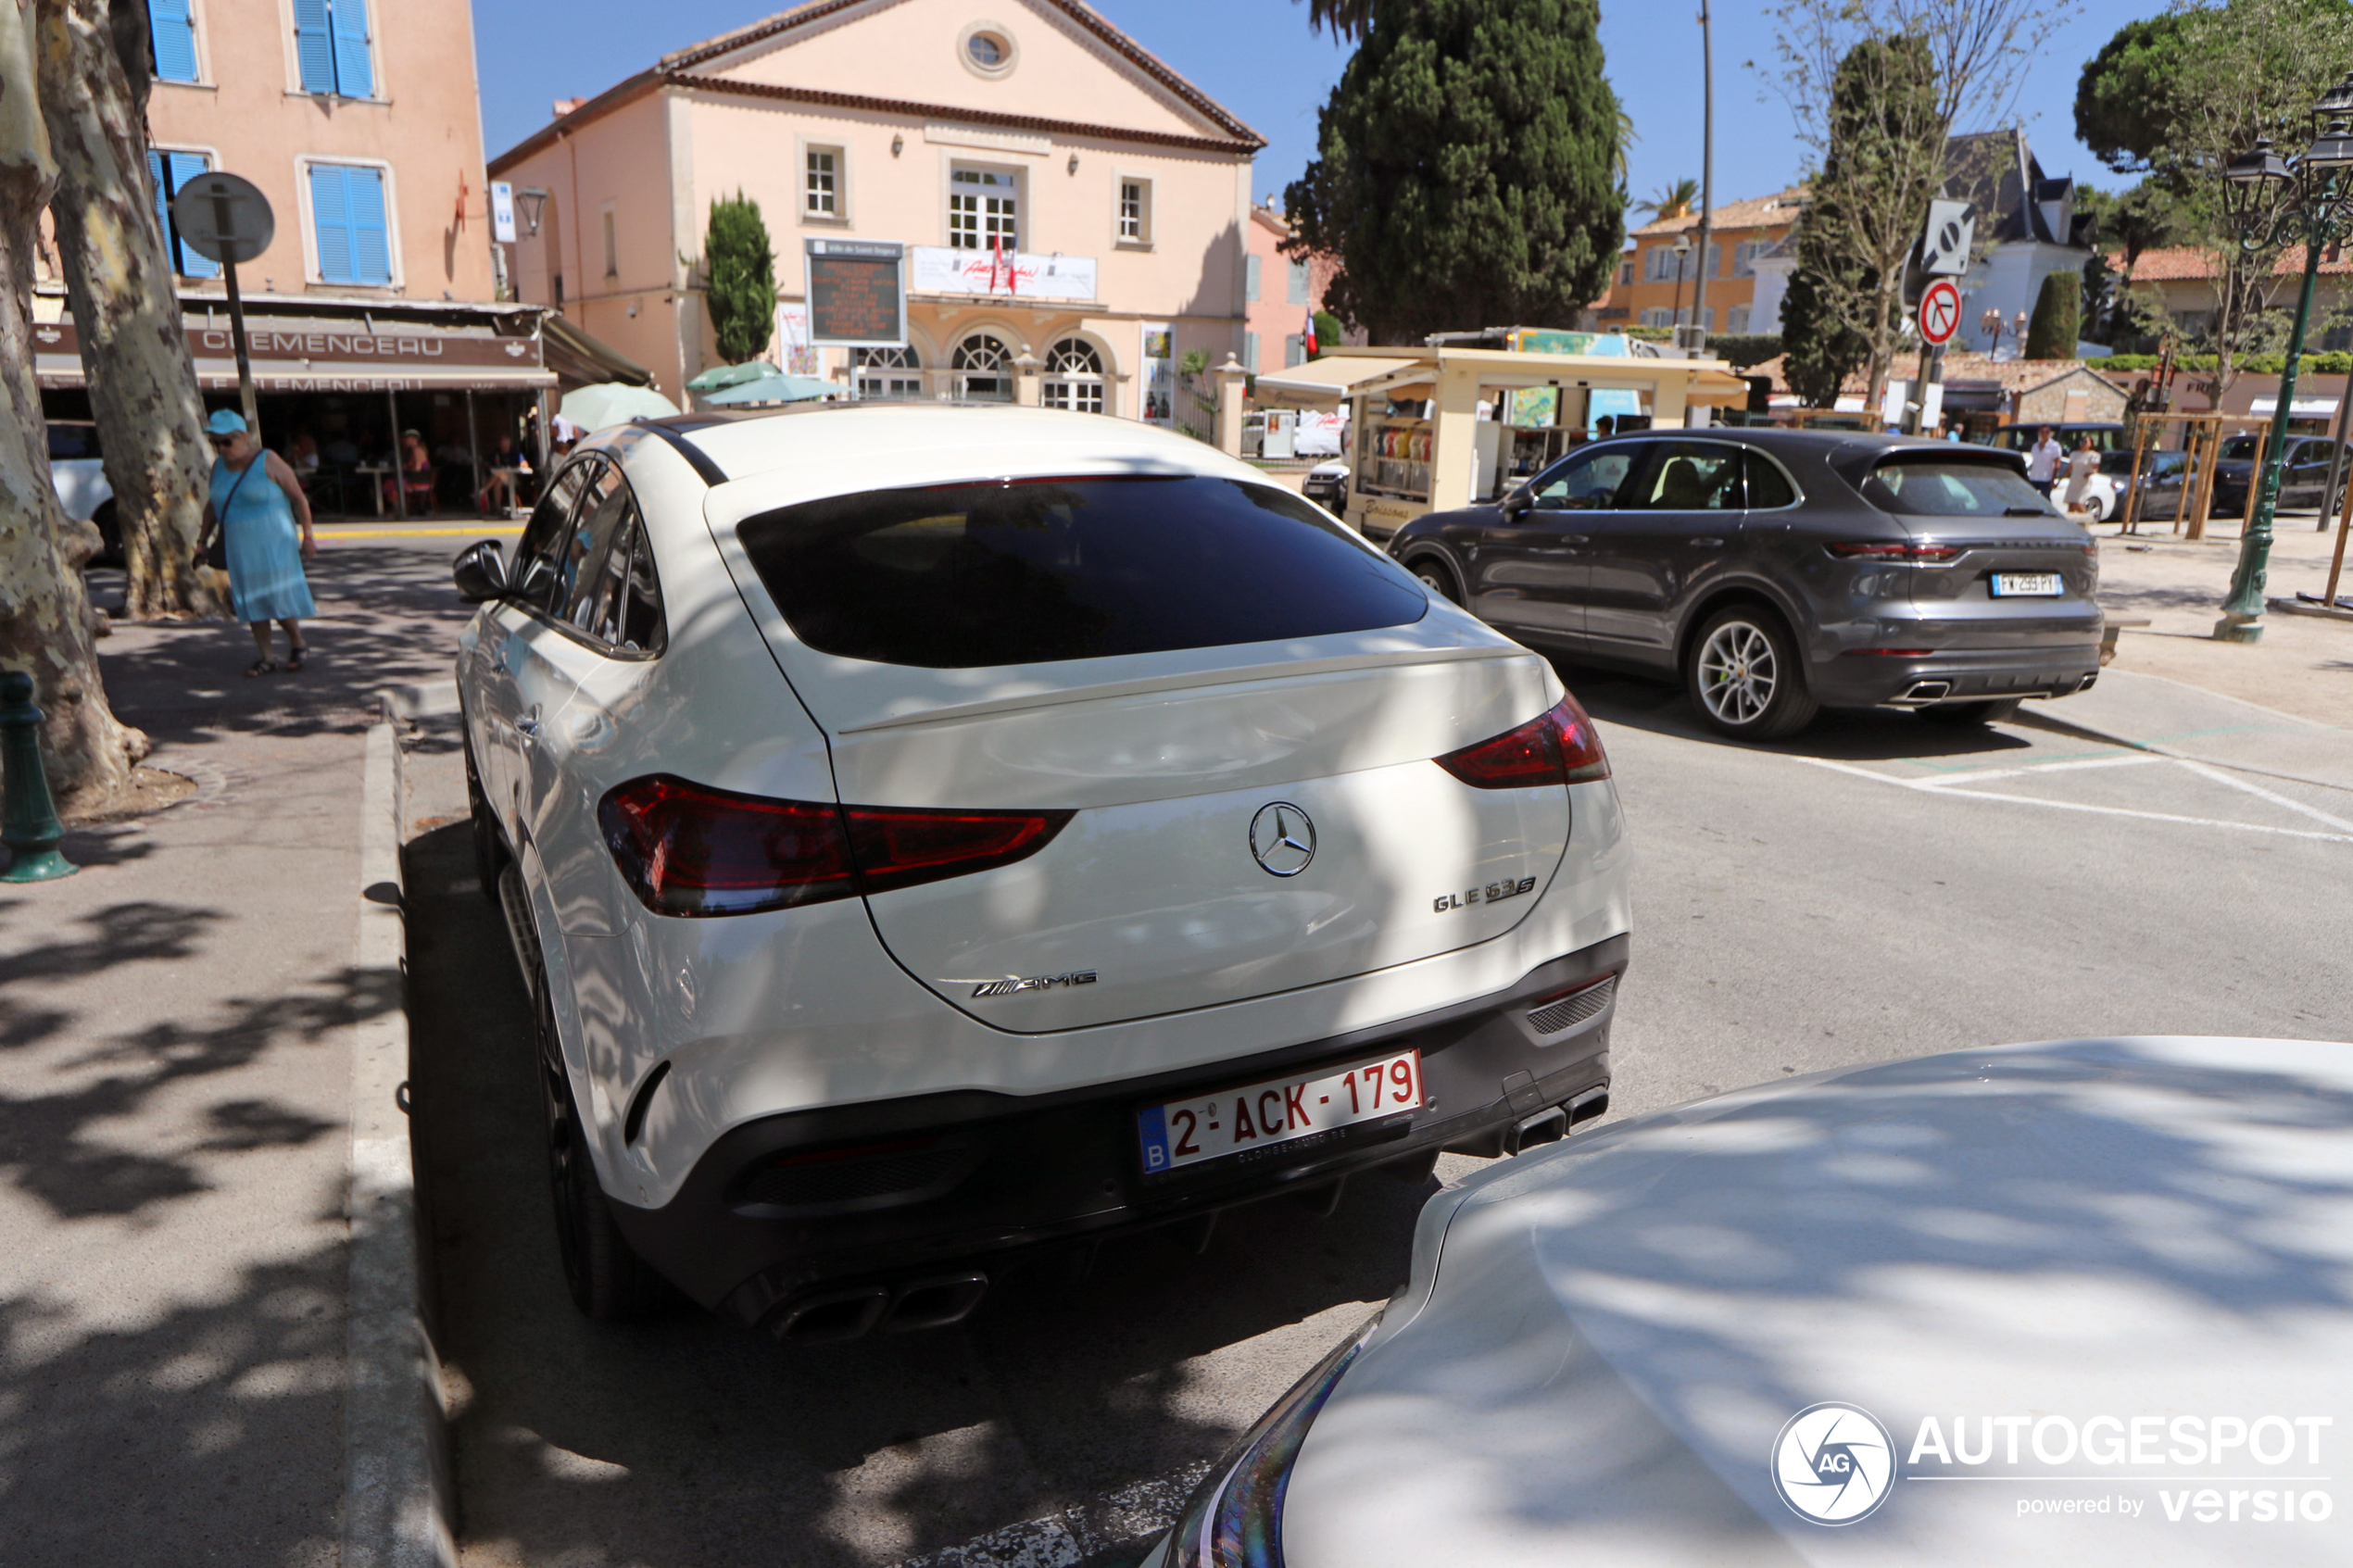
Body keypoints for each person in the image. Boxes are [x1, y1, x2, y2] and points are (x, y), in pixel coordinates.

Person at [205, 409, 317, 676]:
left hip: (274, 541)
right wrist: (200, 540)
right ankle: (266, 657)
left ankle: (298, 641)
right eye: (215, 442)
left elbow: (299, 498)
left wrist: (308, 536)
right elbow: (211, 505)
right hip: (239, 545)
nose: (221, 448)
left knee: (275, 596)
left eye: (227, 442)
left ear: (244, 437)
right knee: (251, 599)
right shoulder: (218, 467)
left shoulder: (269, 460)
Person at [474, 434, 531, 514]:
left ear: (509, 445)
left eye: (506, 445)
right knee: (498, 481)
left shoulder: (515, 453)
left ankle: (483, 491)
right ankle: (498, 509)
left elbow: (524, 463)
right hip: (502, 478)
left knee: (499, 474)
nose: (505, 447)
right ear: (500, 445)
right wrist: (489, 464)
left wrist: (521, 464)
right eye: (503, 445)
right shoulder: (497, 452)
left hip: (514, 479)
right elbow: (485, 462)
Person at [2061, 433, 2101, 517]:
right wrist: (2060, 478)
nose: (2083, 443)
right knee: (2071, 504)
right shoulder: (2074, 454)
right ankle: (2071, 525)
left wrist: (2090, 473)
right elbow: (2069, 468)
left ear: (2090, 444)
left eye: (2085, 441)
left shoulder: (2093, 455)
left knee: (2078, 503)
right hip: (2074, 480)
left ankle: (2086, 521)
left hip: (2083, 482)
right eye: (2082, 441)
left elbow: (2095, 468)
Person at [2027, 426, 2064, 495]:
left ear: (2050, 433)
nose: (2044, 434)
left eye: (2047, 432)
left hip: (2046, 479)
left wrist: (2053, 479)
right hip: (2034, 478)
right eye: (2042, 432)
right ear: (2039, 433)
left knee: (2045, 500)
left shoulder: (2054, 446)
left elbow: (2057, 463)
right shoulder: (2035, 446)